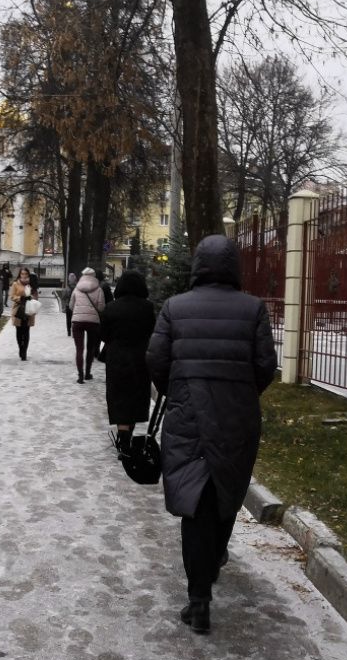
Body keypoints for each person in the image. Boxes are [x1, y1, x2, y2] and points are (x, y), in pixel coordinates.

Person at [146, 234, 277, 635]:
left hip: (188, 419)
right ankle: (215, 557)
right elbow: (265, 365)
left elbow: (157, 361)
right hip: (237, 419)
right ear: (234, 266)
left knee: (194, 503)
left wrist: (182, 391)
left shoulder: (174, 307)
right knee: (225, 495)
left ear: (198, 265)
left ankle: (198, 598)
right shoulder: (253, 309)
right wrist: (238, 392)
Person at [101, 270, 156, 450]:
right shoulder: (148, 308)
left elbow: (103, 334)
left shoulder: (111, 307)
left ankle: (123, 436)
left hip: (116, 359)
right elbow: (153, 332)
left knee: (119, 397)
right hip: (140, 359)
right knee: (136, 396)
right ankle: (128, 434)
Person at [69, 267, 107, 384]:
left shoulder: (77, 289)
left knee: (79, 349)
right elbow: (101, 307)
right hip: (93, 322)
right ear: (94, 276)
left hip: (78, 322)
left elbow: (71, 306)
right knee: (90, 348)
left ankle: (80, 375)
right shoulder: (99, 290)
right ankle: (87, 373)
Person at [10, 267, 38, 361]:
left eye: (26, 274)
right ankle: (20, 348)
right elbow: (12, 296)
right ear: (20, 274)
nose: (24, 275)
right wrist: (21, 298)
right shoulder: (15, 284)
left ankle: (24, 351)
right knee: (19, 331)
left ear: (28, 274)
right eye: (22, 274)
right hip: (18, 310)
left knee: (26, 331)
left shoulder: (31, 284)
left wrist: (32, 298)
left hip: (29, 310)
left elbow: (36, 296)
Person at [63, 272, 78, 337]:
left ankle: (69, 331)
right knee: (75, 319)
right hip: (76, 306)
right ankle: (74, 331)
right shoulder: (78, 287)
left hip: (68, 305)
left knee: (68, 319)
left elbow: (63, 297)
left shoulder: (67, 287)